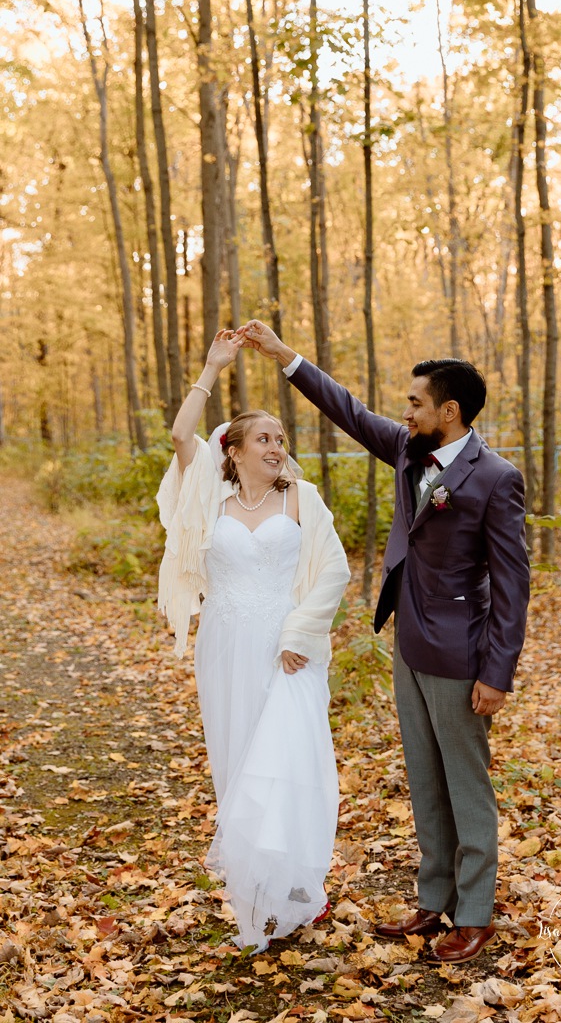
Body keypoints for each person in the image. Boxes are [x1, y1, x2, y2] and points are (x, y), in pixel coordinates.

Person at [240, 319, 530, 965]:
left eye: (416, 402)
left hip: (462, 655)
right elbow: (347, 409)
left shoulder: (494, 478)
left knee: (465, 785)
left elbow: (513, 584)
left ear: (448, 412)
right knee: (425, 782)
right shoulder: (407, 450)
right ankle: (433, 901)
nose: (405, 412)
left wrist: (497, 672)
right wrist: (287, 358)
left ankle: (474, 913)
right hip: (408, 643)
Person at [156, 329, 350, 954]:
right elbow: (182, 436)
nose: (277, 447)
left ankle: (296, 887)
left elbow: (335, 572)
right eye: (263, 438)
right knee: (239, 761)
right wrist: (212, 368)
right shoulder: (207, 497)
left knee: (289, 761)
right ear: (233, 452)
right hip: (225, 646)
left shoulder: (303, 499)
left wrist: (300, 632)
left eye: (280, 439)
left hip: (287, 649)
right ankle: (254, 889)